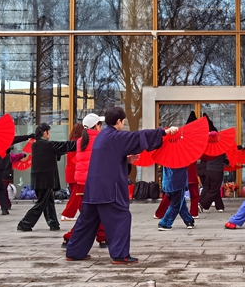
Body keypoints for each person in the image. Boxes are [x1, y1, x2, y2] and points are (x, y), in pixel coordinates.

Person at [65, 106, 177, 263]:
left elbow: (109, 158)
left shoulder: (102, 136)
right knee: (121, 217)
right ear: (118, 121)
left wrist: (126, 159)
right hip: (109, 188)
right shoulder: (114, 136)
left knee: (87, 221)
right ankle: (120, 255)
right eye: (123, 121)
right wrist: (164, 132)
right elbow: (138, 136)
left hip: (93, 188)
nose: (123, 124)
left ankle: (75, 252)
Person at [17, 123, 76, 232]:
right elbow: (66, 145)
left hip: (38, 178)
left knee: (48, 202)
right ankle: (24, 223)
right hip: (45, 179)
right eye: (49, 132)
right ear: (45, 132)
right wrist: (81, 142)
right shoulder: (47, 145)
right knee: (41, 203)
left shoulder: (35, 145)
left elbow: (54, 152)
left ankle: (53, 223)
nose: (50, 134)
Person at [62, 114, 108, 248]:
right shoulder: (100, 139)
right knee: (90, 214)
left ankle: (102, 237)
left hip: (80, 182)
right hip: (94, 182)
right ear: (96, 126)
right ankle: (70, 237)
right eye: (100, 125)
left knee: (91, 213)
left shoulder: (79, 141)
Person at [154, 112, 200, 220]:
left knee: (171, 194)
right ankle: (193, 213)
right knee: (193, 194)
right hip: (190, 172)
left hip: (181, 171)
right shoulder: (194, 143)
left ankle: (159, 213)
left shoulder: (181, 141)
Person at [158, 163, 196, 231]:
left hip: (167, 183)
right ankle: (165, 223)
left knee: (181, 202)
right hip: (178, 184)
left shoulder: (165, 158)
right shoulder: (180, 159)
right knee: (175, 205)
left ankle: (188, 220)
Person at [60, 122, 84, 221]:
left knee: (78, 195)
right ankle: (67, 214)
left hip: (70, 171)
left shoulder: (70, 142)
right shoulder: (79, 143)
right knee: (76, 195)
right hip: (76, 172)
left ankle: (84, 214)